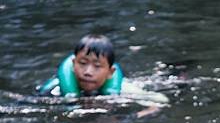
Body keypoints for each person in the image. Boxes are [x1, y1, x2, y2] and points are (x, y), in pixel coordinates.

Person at [38, 34, 169, 115]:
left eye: (97, 66)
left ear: (110, 72)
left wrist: (137, 115)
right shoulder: (54, 91)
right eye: (82, 63)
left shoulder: (124, 90)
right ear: (73, 65)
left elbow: (161, 100)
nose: (88, 72)